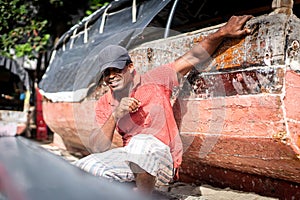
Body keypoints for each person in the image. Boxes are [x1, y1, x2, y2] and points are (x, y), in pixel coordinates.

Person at [74, 15, 253, 195]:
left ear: (130, 67)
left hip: (162, 159)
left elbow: (193, 56)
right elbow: (98, 148)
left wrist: (223, 32)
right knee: (83, 168)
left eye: (116, 69)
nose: (111, 76)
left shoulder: (155, 79)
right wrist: (115, 114)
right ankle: (132, 189)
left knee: (141, 142)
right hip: (131, 158)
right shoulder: (106, 101)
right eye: (106, 72)